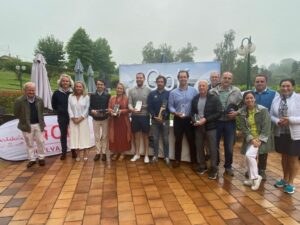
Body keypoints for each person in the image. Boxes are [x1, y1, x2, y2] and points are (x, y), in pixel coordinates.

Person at [271, 79, 300, 194]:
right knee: (284, 157)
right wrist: (277, 121)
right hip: (281, 132)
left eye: (288, 86)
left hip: (295, 134)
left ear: (293, 86)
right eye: (283, 86)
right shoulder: (277, 98)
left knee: (293, 158)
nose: (285, 88)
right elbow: (271, 114)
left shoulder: (298, 98)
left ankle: (291, 182)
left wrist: (290, 120)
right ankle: (284, 178)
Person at [210, 72, 242, 176]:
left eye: (229, 78)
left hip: (230, 122)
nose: (227, 80)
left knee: (229, 146)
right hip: (216, 122)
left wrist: (237, 113)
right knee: (215, 145)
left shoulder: (236, 91)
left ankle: (228, 167)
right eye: (225, 78)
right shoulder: (212, 91)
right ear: (221, 78)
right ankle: (215, 164)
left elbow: (244, 105)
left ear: (231, 80)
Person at [239, 91, 273, 191]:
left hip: (260, 139)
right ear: (244, 100)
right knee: (248, 157)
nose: (249, 100)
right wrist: (251, 139)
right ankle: (250, 178)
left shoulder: (263, 110)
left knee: (249, 155)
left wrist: (259, 140)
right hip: (250, 138)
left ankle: (255, 177)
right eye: (247, 98)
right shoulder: (242, 112)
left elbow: (267, 127)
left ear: (254, 99)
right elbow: (243, 128)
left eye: (251, 98)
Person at [191, 80, 222, 179]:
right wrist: (193, 119)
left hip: (210, 127)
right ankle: (202, 166)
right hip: (198, 127)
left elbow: (219, 112)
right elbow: (193, 112)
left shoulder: (214, 98)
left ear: (207, 87)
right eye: (200, 86)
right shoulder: (195, 99)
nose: (201, 87)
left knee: (212, 149)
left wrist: (206, 119)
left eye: (203, 86)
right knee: (199, 147)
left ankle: (213, 168)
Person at [168, 70, 198, 168]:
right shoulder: (173, 92)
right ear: (178, 78)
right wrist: (175, 112)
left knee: (191, 140)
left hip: (189, 119)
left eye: (185, 77)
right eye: (181, 77)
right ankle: (177, 160)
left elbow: (197, 104)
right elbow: (170, 106)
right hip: (178, 120)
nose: (183, 78)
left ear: (187, 78)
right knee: (178, 140)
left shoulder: (194, 91)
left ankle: (194, 161)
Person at [14, 82, 46, 168]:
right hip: (26, 126)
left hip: (38, 124)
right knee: (29, 143)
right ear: (25, 91)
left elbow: (41, 111)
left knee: (41, 142)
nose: (31, 92)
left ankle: (41, 158)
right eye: (29, 90)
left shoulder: (39, 100)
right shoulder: (19, 101)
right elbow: (16, 113)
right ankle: (32, 159)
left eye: (33, 90)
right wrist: (24, 120)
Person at [252, 74, 277, 180]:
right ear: (254, 83)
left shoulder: (274, 94)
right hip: (252, 125)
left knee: (263, 149)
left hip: (266, 126)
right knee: (252, 148)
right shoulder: (250, 93)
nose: (259, 83)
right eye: (257, 81)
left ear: (266, 82)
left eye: (262, 81)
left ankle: (261, 170)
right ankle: (252, 169)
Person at [52, 74, 76, 160]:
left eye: (67, 81)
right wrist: (60, 110)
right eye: (63, 81)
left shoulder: (73, 93)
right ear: (60, 82)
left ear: (70, 83)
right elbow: (54, 105)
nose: (65, 82)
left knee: (73, 134)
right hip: (62, 117)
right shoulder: (56, 93)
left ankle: (73, 151)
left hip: (72, 116)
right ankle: (64, 153)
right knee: (63, 134)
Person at [128, 72, 151, 163]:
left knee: (146, 136)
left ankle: (146, 155)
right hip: (135, 116)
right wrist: (132, 109)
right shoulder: (131, 90)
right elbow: (129, 104)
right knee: (136, 136)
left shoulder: (148, 90)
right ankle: (137, 154)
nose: (139, 79)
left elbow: (150, 104)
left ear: (144, 79)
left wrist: (143, 107)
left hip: (145, 116)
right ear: (136, 79)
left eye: (141, 78)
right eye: (137, 78)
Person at [147, 75, 170, 164]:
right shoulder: (152, 94)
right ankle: (155, 156)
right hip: (154, 120)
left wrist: (163, 117)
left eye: (162, 82)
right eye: (158, 81)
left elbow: (169, 107)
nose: (160, 83)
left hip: (165, 120)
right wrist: (154, 116)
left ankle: (166, 157)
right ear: (156, 83)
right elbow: (150, 107)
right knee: (155, 139)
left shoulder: (168, 94)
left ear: (164, 83)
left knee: (165, 139)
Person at [68, 81, 91, 161]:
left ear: (83, 88)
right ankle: (78, 154)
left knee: (83, 136)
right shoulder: (70, 96)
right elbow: (69, 108)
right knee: (75, 137)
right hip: (73, 120)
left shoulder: (86, 97)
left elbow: (87, 109)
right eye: (77, 86)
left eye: (80, 86)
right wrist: (73, 118)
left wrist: (81, 118)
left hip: (83, 120)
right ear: (74, 87)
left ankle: (85, 153)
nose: (78, 88)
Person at [89, 80, 111, 166]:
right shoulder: (92, 95)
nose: (100, 86)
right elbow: (89, 107)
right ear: (96, 85)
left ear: (104, 86)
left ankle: (104, 153)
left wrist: (104, 111)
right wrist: (92, 111)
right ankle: (98, 153)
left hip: (105, 118)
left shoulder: (108, 95)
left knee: (105, 136)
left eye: (101, 84)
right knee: (97, 136)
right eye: (98, 84)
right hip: (95, 119)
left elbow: (109, 107)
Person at [108, 83, 131, 160]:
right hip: (114, 121)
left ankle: (122, 153)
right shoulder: (112, 98)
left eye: (121, 88)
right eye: (118, 88)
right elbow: (109, 108)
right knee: (114, 137)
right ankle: (115, 152)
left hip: (123, 121)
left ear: (123, 90)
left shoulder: (126, 98)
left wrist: (120, 111)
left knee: (123, 137)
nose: (119, 90)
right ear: (116, 89)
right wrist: (111, 111)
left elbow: (128, 109)